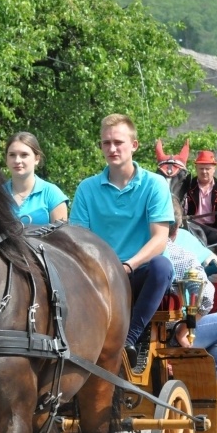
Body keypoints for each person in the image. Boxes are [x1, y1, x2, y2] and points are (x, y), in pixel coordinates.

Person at [69, 114, 175, 368]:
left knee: (162, 266)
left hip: (138, 273)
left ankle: (130, 338)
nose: (112, 148)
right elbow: (79, 240)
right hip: (98, 277)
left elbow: (160, 239)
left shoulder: (155, 184)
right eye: (106, 143)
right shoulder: (87, 188)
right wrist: (104, 269)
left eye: (118, 142)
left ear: (134, 145)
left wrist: (128, 265)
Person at [165, 200, 217, 377]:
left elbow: (210, 258)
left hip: (133, 330)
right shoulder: (183, 256)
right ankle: (207, 379)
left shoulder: (129, 247)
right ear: (179, 225)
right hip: (176, 328)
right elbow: (207, 297)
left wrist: (215, 264)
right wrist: (184, 329)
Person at [4, 132, 68, 224]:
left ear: (37, 159)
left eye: (24, 155)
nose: (17, 160)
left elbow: (62, 237)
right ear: (6, 159)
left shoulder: (52, 194)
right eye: (12, 155)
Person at [185, 150, 217, 246]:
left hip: (215, 229)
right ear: (196, 168)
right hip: (192, 227)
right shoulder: (187, 186)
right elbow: (183, 209)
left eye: (207, 169)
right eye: (201, 168)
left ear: (214, 169)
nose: (204, 172)